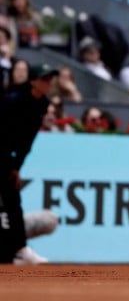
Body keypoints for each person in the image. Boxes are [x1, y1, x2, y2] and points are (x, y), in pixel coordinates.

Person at [0, 64, 58, 264]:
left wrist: (16, 167)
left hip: (7, 156)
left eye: (50, 80)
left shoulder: (42, 104)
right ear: (33, 81)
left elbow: (28, 139)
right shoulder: (12, 100)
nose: (48, 83)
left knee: (12, 200)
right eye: (45, 79)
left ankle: (20, 249)